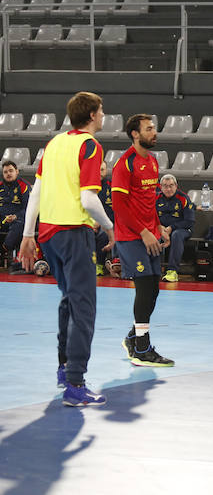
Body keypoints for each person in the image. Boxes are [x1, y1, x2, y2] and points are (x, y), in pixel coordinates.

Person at [19, 91, 115, 406]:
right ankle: (75, 383)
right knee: (84, 307)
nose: (103, 116)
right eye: (101, 111)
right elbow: (89, 199)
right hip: (74, 233)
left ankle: (64, 369)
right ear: (91, 115)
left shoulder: (55, 143)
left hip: (48, 234)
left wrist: (28, 233)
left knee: (70, 300)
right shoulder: (90, 146)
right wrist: (112, 227)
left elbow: (37, 191)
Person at [112, 114, 173, 367]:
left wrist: (158, 226)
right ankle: (142, 349)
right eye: (149, 129)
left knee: (154, 289)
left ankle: (133, 338)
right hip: (130, 236)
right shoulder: (125, 164)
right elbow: (119, 205)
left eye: (154, 128)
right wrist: (144, 232)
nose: (154, 132)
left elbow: (149, 201)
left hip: (149, 234)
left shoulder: (154, 161)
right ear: (135, 134)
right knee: (146, 285)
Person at [156, 174, 195, 283]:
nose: (168, 189)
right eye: (165, 186)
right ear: (160, 187)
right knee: (153, 234)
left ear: (176, 186)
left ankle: (172, 271)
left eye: (171, 186)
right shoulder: (156, 198)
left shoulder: (184, 198)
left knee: (176, 235)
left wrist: (172, 227)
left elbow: (189, 221)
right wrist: (160, 227)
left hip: (183, 229)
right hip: (162, 229)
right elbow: (149, 217)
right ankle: (155, 270)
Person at [1, 160, 31, 267]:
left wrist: (15, 216)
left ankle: (5, 249)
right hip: (2, 221)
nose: (8, 174)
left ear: (17, 171)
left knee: (19, 224)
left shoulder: (24, 186)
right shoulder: (0, 186)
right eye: (5, 172)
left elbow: (29, 208)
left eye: (11, 171)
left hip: (18, 220)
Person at [93, 160, 115, 276]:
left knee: (103, 235)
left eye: (102, 170)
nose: (100, 172)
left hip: (108, 223)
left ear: (106, 171)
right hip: (89, 223)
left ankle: (99, 265)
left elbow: (114, 211)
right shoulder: (86, 187)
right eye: (97, 169)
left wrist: (101, 222)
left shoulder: (112, 187)